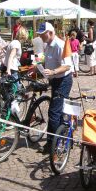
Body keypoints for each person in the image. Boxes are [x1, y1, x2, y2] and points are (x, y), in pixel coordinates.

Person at [36, 22, 73, 154]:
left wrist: (53, 72)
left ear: (50, 33)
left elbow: (67, 66)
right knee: (58, 111)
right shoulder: (47, 45)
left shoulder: (60, 45)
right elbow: (44, 59)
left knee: (53, 112)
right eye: (39, 35)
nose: (40, 37)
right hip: (55, 80)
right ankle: (62, 136)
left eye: (42, 34)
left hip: (63, 80)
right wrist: (36, 65)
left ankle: (53, 144)